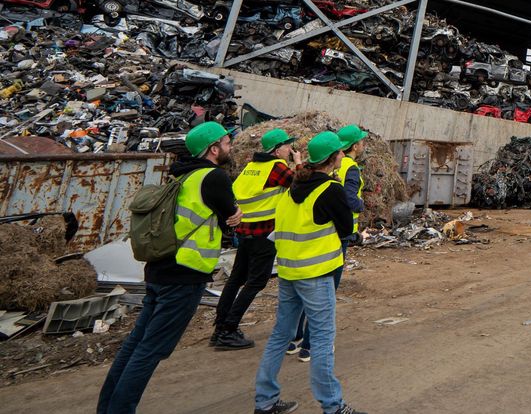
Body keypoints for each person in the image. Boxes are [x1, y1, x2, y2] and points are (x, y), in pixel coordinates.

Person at [97, 121, 241, 414]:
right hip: (184, 274)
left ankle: (107, 407)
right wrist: (234, 214)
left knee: (136, 343)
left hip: (160, 268)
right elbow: (232, 215)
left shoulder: (183, 174)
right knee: (151, 350)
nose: (230, 147)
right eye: (226, 143)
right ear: (213, 149)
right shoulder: (213, 177)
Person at [253, 131, 364, 414]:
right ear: (332, 158)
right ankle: (333, 406)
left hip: (289, 272)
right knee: (323, 339)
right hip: (315, 274)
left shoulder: (293, 188)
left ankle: (264, 401)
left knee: (281, 334)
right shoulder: (330, 190)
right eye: (339, 153)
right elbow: (345, 229)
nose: (343, 156)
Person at [211, 127, 303, 350]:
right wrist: (298, 163)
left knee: (236, 279)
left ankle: (220, 326)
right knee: (256, 282)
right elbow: (301, 184)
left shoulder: (251, 167)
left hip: (244, 233)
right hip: (264, 235)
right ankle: (228, 330)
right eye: (287, 146)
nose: (290, 150)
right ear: (276, 149)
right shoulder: (276, 168)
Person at [288, 124, 368, 361]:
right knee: (324, 293)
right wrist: (362, 206)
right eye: (361, 142)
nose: (363, 145)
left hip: (313, 234)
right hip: (336, 235)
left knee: (305, 290)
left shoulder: (306, 179)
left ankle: (295, 339)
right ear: (354, 146)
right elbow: (350, 200)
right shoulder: (351, 169)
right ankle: (311, 347)